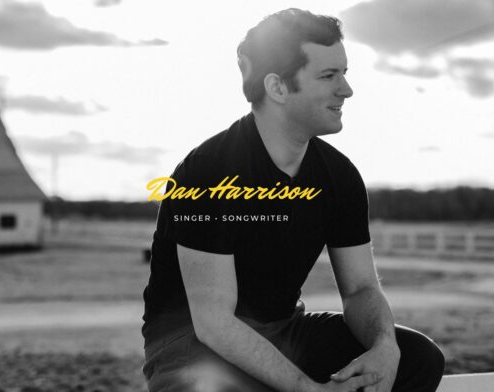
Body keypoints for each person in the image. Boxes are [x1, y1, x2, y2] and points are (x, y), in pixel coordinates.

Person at [141, 8, 445, 392]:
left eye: (345, 74)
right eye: (328, 75)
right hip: (191, 345)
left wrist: (386, 347)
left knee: (418, 357)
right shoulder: (208, 173)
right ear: (278, 87)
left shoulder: (340, 176)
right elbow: (214, 322)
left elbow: (360, 290)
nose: (346, 90)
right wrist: (306, 390)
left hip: (285, 332)